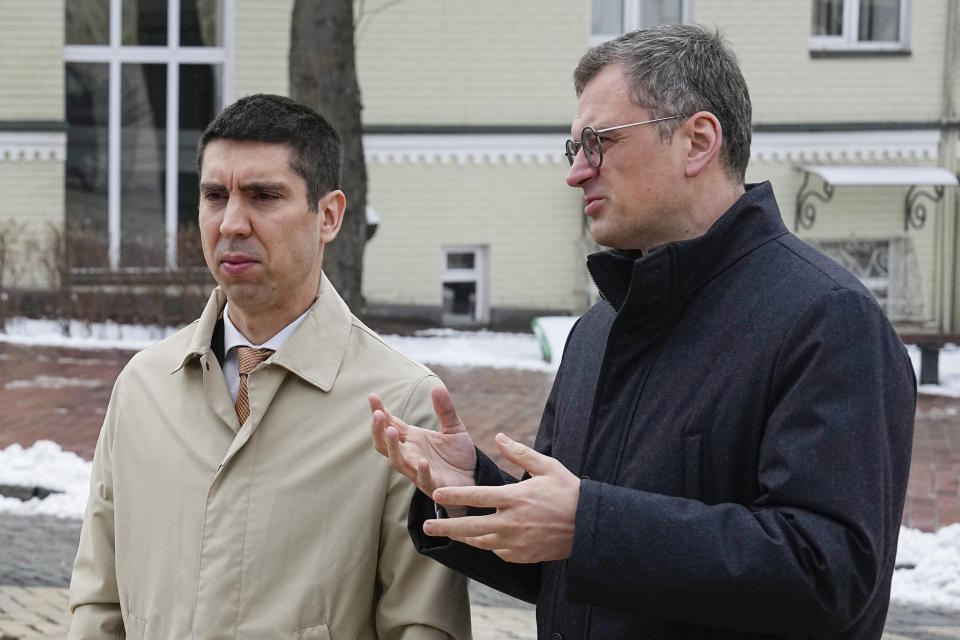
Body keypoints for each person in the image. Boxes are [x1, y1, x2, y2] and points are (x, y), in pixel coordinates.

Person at [370, 25, 916, 639]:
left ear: (697, 141)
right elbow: (569, 560)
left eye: (598, 143)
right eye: (573, 149)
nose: (577, 173)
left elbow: (831, 574)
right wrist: (475, 492)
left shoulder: (827, 319)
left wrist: (588, 526)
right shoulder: (597, 331)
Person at [69, 94, 471, 639]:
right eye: (215, 196)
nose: (232, 223)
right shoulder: (143, 386)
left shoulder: (400, 403)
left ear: (328, 216)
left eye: (263, 196)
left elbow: (422, 625)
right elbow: (98, 603)